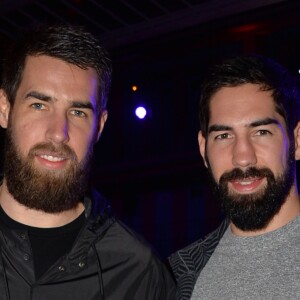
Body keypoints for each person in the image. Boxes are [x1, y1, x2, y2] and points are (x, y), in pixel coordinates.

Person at [0, 26, 175, 300]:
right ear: (4, 109)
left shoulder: (140, 274)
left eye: (78, 112)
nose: (59, 132)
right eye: (39, 105)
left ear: (100, 126)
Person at [169, 55, 300, 299]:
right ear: (203, 148)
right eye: (223, 136)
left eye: (261, 132)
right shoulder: (173, 277)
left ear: (298, 140)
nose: (242, 157)